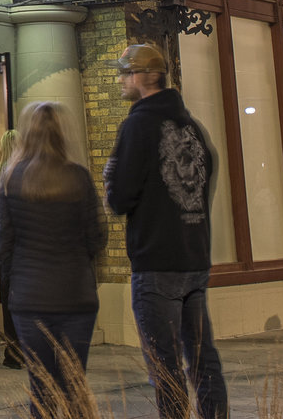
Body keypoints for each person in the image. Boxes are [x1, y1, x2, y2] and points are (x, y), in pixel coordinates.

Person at [104, 44, 228, 419]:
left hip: (157, 262)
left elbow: (121, 198)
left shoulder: (138, 125)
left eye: (126, 73)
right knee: (204, 360)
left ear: (146, 76)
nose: (122, 80)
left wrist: (111, 179)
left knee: (166, 367)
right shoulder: (191, 124)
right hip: (193, 256)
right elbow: (207, 180)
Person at [0, 100, 106, 413]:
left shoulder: (10, 180)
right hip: (76, 296)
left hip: (31, 298)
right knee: (74, 384)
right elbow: (97, 236)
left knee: (41, 387)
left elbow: (3, 242)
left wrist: (14, 283)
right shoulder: (78, 178)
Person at [0, 126, 24, 370]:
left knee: (9, 300)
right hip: (27, 249)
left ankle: (14, 350)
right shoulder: (31, 175)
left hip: (6, 248)